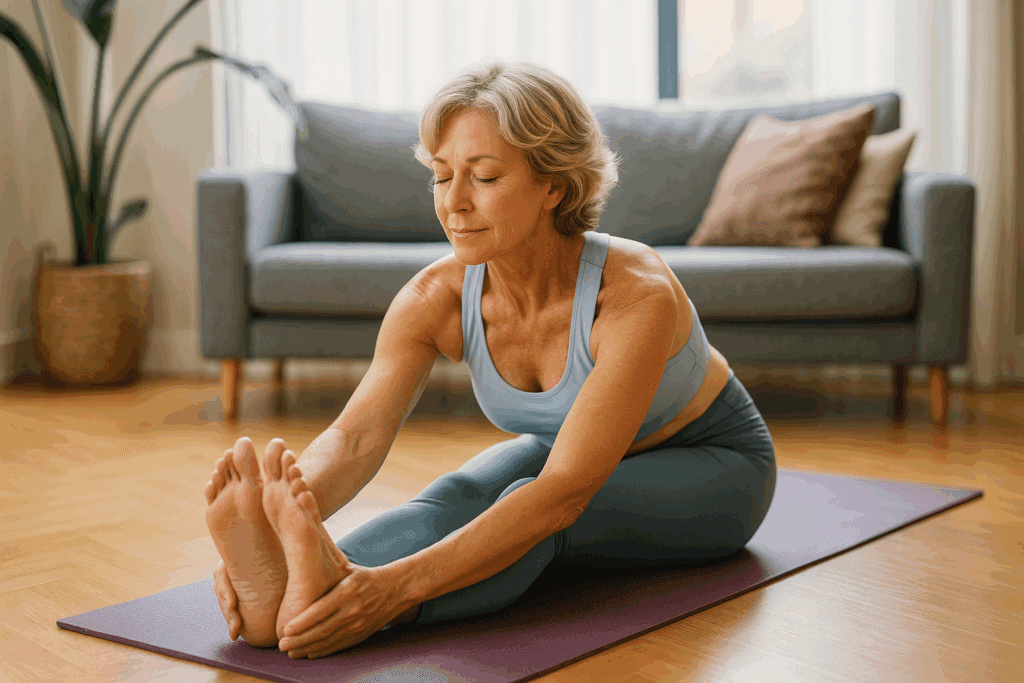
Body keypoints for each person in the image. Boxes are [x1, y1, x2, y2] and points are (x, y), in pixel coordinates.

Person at [203, 61, 777, 660]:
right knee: (456, 494)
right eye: (441, 175)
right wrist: (276, 531)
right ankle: (293, 586)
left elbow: (562, 493)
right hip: (571, 450)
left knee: (541, 514)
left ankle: (345, 595)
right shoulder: (434, 298)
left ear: (554, 186)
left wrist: (391, 592)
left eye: (484, 177)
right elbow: (354, 439)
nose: (454, 202)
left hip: (714, 466)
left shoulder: (634, 293)